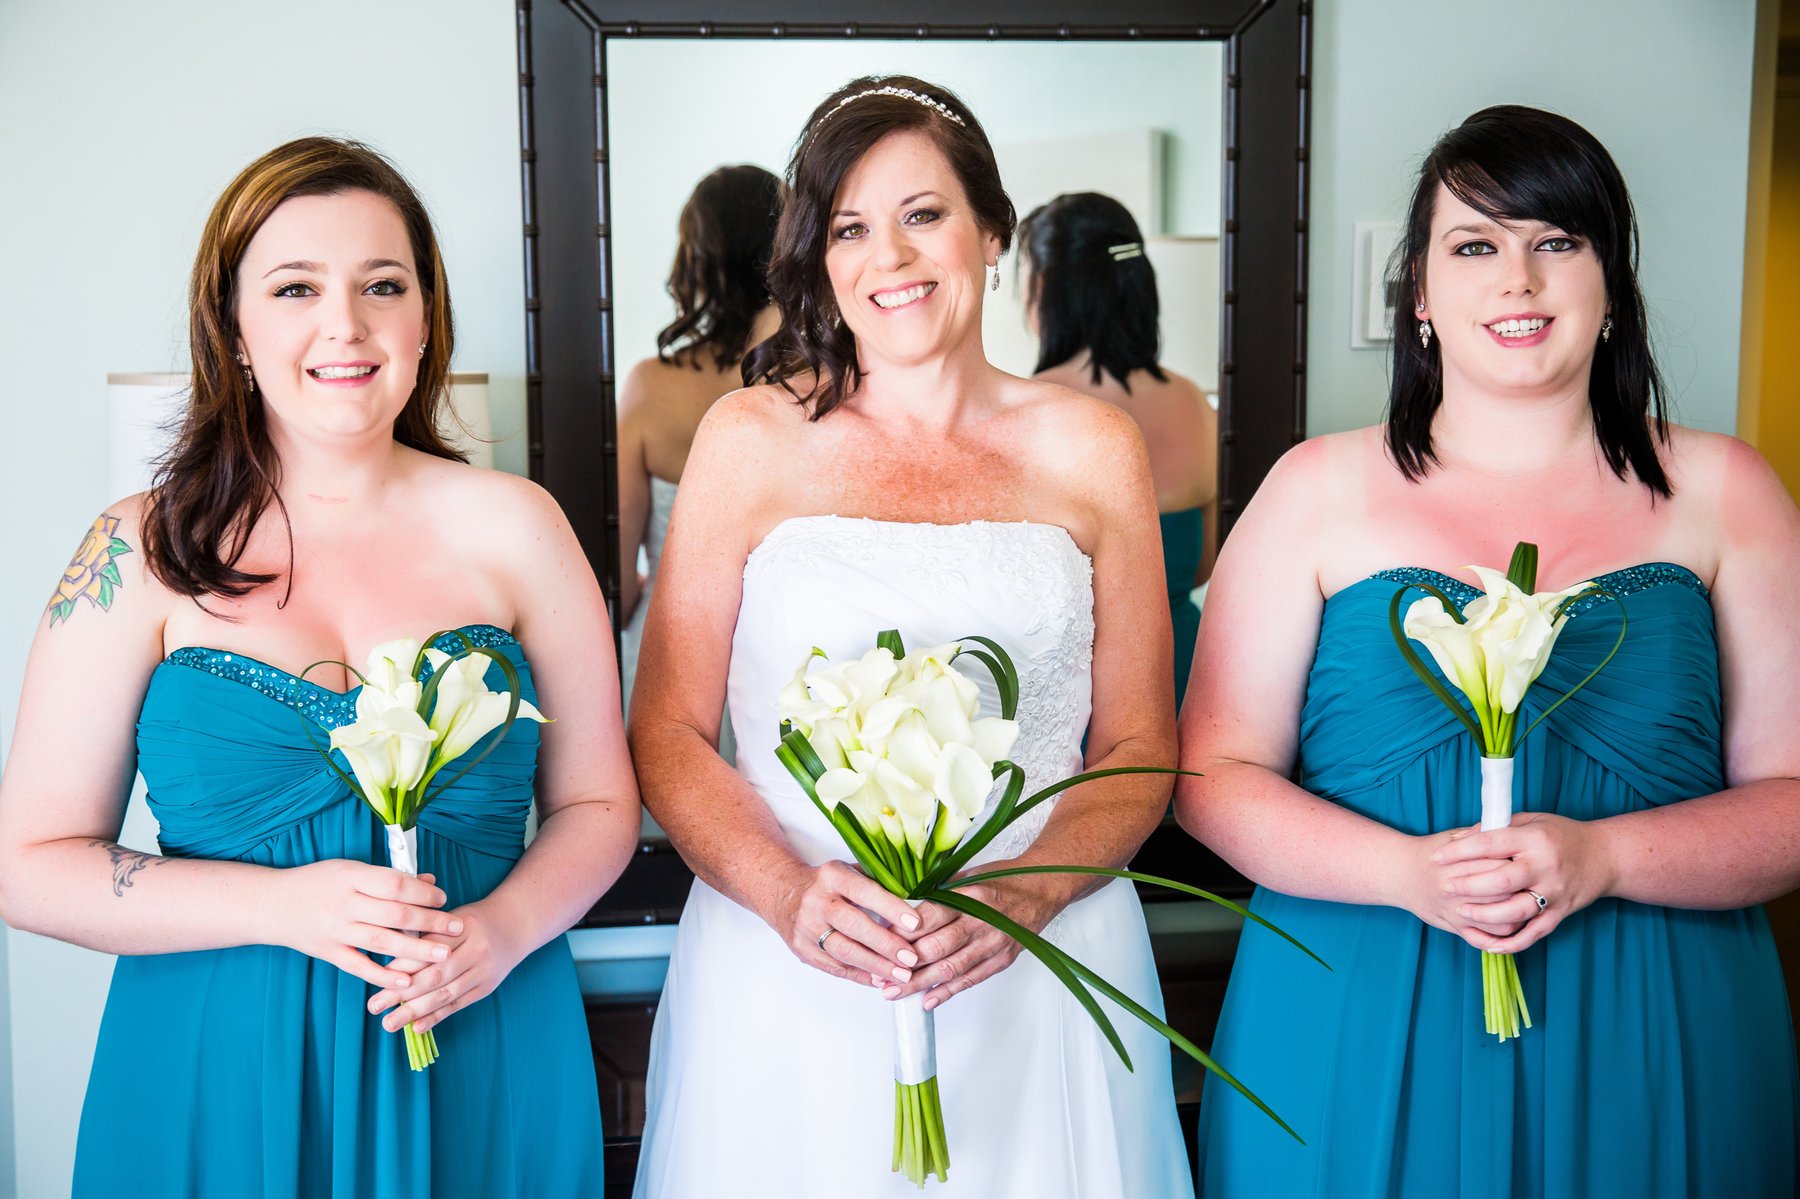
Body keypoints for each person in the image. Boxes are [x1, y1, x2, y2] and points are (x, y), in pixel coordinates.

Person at [1177, 105, 1800, 1197]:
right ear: (1419, 292)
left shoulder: (1726, 489)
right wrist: (1406, 874)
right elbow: (1210, 777)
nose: (1519, 278)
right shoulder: (1314, 488)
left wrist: (1607, 859)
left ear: (1612, 284)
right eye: (1475, 245)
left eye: (1557, 240)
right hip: (1357, 1007)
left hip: (1656, 1016)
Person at [0, 137, 639, 1196]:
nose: (345, 323)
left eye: (382, 285)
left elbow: (601, 804)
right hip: (215, 1061)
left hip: (483, 1031)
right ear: (233, 328)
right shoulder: (136, 550)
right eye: (295, 287)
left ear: (424, 318)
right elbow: (27, 864)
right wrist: (279, 908)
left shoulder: (522, 528)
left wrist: (502, 929)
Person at [628, 76, 1193, 1196]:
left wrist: (1028, 894)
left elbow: (1139, 744)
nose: (888, 255)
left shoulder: (1094, 448)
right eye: (849, 228)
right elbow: (669, 729)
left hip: (1040, 962)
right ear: (820, 257)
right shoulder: (749, 438)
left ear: (993, 232)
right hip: (795, 962)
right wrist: (786, 894)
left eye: (923, 214)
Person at [1018, 192, 1218, 708]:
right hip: (1184, 672)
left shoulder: (1024, 412)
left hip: (1077, 689)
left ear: (1044, 289)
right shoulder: (1194, 403)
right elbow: (1202, 565)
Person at [617, 163, 783, 732]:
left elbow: (618, 572)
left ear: (695, 258)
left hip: (668, 650)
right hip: (780, 659)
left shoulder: (650, 387)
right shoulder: (817, 385)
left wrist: (644, 588)